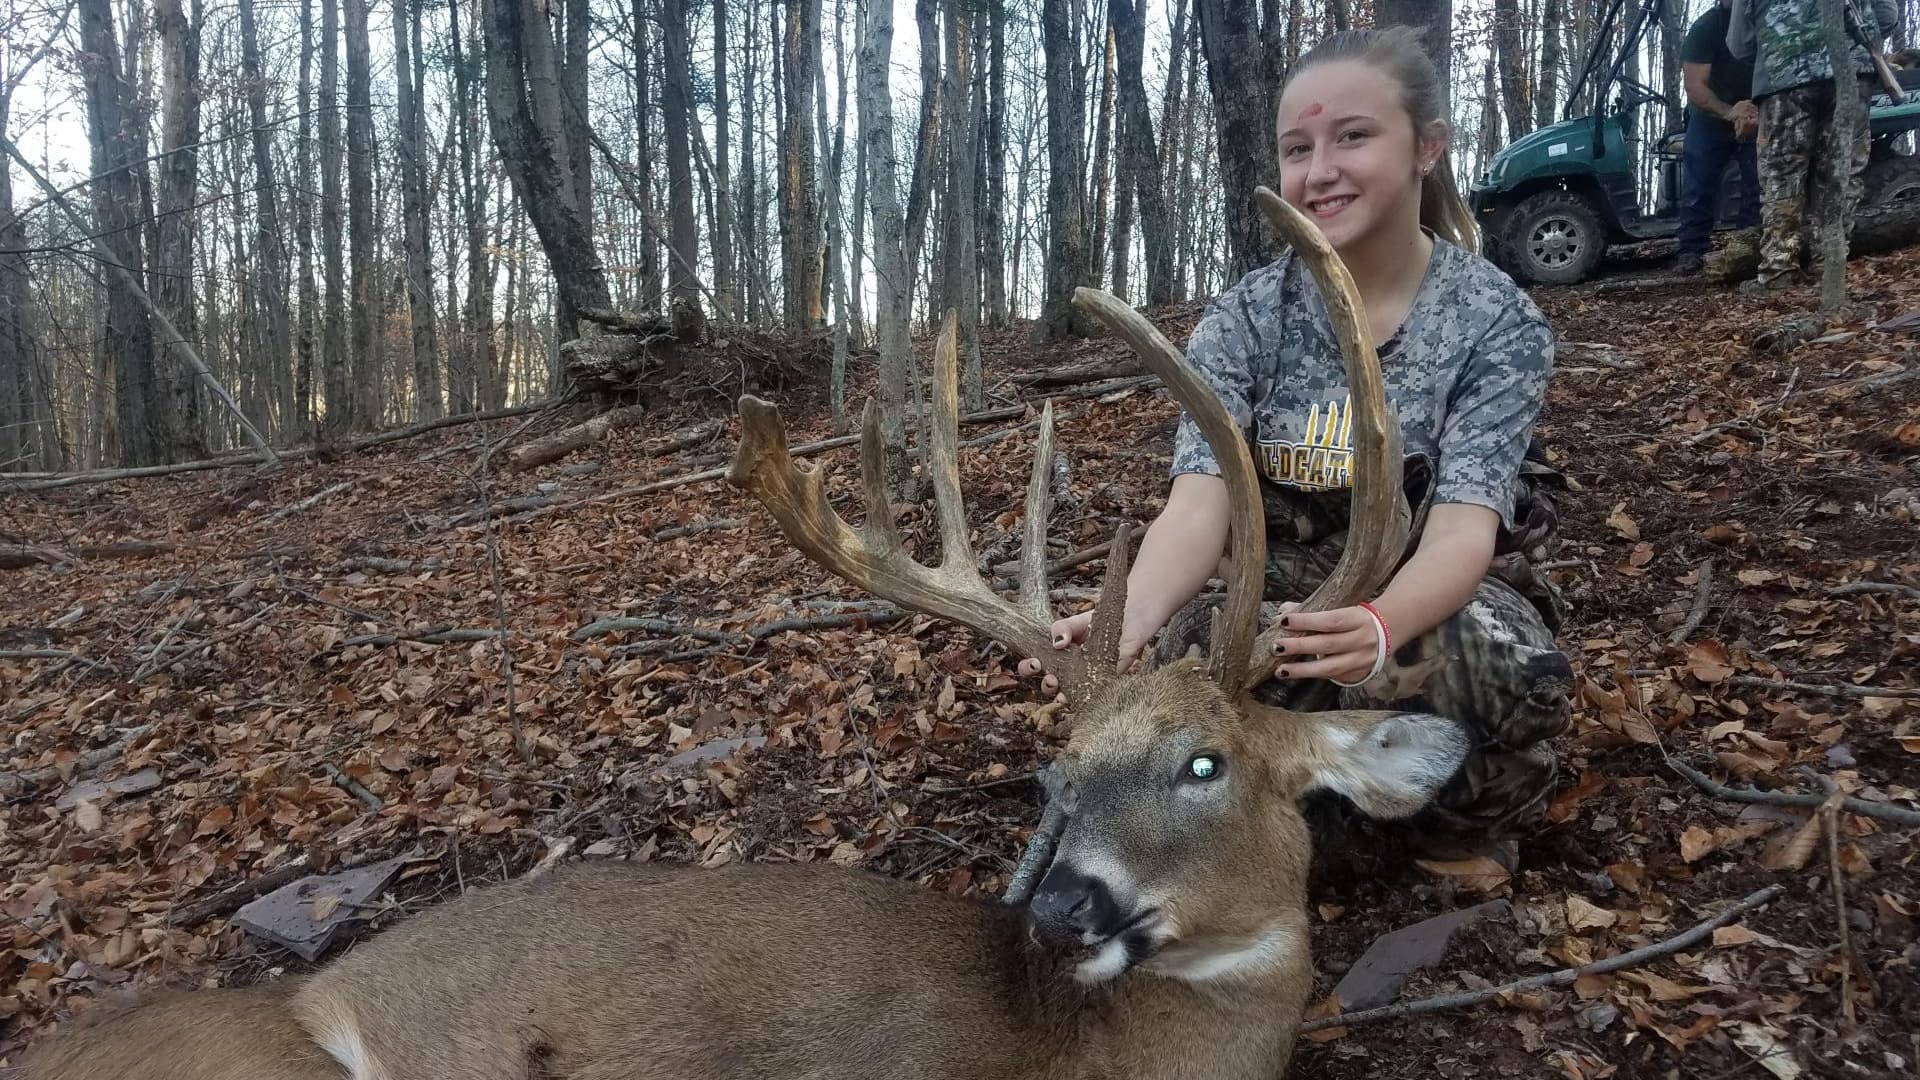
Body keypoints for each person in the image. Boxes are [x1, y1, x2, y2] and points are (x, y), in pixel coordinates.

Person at [1021, 25, 1573, 871]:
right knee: (1172, 682)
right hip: (1278, 608)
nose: (1320, 170)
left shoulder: (1494, 322)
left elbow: (1466, 528)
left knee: (1489, 668)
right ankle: (1284, 840)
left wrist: (1385, 625)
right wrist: (1131, 615)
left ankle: (1454, 835)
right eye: (1297, 147)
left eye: (1354, 136)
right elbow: (1198, 503)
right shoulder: (1244, 319)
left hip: (1429, 604)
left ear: (1428, 147)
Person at [1726, 0, 1901, 293]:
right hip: (1850, 74)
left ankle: (1778, 273)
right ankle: (1830, 267)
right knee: (1841, 173)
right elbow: (1887, 15)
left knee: (1781, 177)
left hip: (1783, 77)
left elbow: (1739, 43)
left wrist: (1782, 41)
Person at [1675, 0, 1763, 277]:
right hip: (1710, 116)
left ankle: (1747, 247)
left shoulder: (1767, 19)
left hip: (1758, 110)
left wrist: (1756, 111)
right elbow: (1694, 85)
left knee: (1758, 181)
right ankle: (1691, 251)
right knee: (1698, 183)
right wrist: (1729, 112)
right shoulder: (1706, 27)